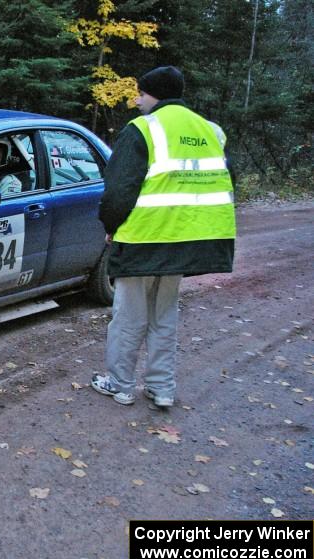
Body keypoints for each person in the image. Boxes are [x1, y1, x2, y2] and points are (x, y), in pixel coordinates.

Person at [91, 66, 236, 407]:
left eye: (140, 94)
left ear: (154, 94)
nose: (137, 100)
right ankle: (162, 388)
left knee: (129, 316)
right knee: (164, 316)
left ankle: (120, 383)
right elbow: (226, 181)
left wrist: (111, 226)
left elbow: (119, 189)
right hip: (188, 240)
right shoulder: (210, 130)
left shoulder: (143, 129)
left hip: (145, 238)